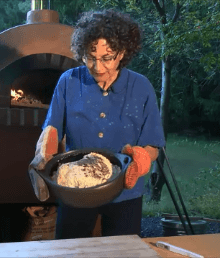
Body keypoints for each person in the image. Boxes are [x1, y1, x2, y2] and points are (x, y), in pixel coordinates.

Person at [28, 9, 166, 239]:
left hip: (124, 192)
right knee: (68, 251)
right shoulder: (69, 82)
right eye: (90, 57)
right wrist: (43, 156)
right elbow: (51, 129)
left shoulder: (141, 88)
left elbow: (153, 144)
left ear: (122, 53)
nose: (97, 67)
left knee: (123, 253)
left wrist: (141, 160)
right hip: (75, 190)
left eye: (106, 58)